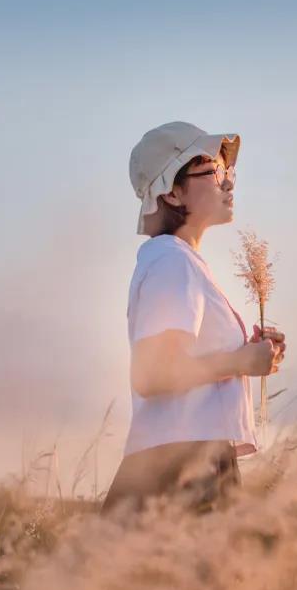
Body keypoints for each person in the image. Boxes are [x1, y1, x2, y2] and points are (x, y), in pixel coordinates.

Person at [101, 122, 286, 516]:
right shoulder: (172, 261)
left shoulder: (179, 261)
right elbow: (153, 374)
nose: (229, 184)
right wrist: (240, 362)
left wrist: (249, 355)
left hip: (185, 457)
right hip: (180, 464)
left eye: (228, 172)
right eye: (214, 172)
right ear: (171, 190)